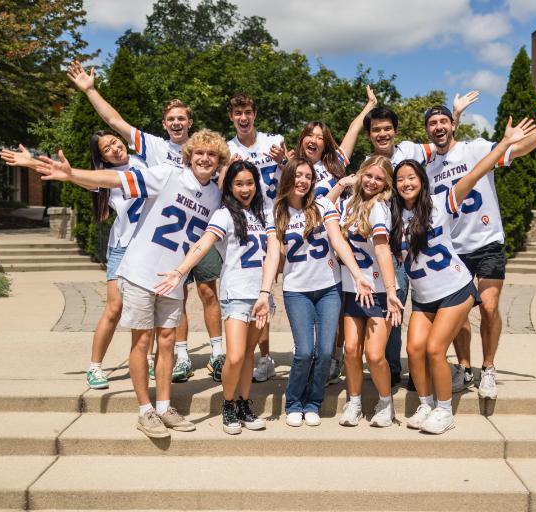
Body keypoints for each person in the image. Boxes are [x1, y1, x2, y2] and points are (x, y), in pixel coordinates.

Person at [31, 129, 229, 438]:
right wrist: (71, 175)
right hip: (141, 270)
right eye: (199, 153)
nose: (205, 158)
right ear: (189, 156)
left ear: (219, 161)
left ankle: (164, 407)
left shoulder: (216, 195)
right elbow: (115, 181)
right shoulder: (167, 174)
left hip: (173, 277)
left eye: (212, 155)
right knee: (141, 341)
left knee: (166, 343)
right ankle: (144, 411)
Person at [67, 61, 224, 384]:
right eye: (171, 119)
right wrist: (91, 91)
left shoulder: (206, 152)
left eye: (182, 118)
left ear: (190, 123)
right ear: (164, 124)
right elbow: (114, 121)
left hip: (189, 235)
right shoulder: (151, 150)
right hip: (144, 242)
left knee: (197, 293)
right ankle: (169, 357)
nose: (177, 123)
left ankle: (204, 354)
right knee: (142, 302)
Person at [424, 89, 536, 399]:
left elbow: (518, 148)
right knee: (459, 315)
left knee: (490, 307)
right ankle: (465, 368)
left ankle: (489, 368)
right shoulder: (427, 170)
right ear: (427, 130)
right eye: (432, 123)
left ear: (453, 125)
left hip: (487, 241)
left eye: (443, 121)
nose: (438, 126)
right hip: (453, 249)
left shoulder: (475, 149)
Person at [390, 116, 536, 434]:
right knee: (414, 350)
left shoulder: (443, 202)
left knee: (434, 349)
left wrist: (507, 143)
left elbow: (476, 173)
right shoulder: (394, 215)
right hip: (425, 297)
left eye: (411, 178)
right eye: (400, 179)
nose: (406, 183)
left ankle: (445, 411)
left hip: (455, 289)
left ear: (422, 181)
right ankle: (426, 404)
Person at [334, 91, 479, 388]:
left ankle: (419, 368)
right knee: (393, 307)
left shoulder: (412, 150)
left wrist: (457, 116)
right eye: (376, 129)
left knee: (412, 306)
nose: (382, 133)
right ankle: (388, 368)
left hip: (412, 239)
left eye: (387, 128)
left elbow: (443, 142)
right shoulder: (368, 165)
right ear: (370, 135)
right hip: (386, 244)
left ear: (395, 132)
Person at [0, 133, 148, 391]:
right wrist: (30, 162)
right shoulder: (101, 178)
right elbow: (66, 173)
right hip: (123, 249)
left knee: (149, 310)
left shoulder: (146, 162)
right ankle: (95, 367)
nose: (114, 148)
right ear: (101, 157)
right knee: (114, 308)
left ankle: (145, 362)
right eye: (106, 149)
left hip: (150, 250)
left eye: (115, 142)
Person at [154, 160, 276, 435]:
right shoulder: (223, 215)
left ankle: (244, 404)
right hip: (236, 295)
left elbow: (273, 252)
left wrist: (266, 294)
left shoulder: (265, 212)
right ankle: (229, 404)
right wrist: (180, 270)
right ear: (230, 187)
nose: (245, 189)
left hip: (261, 296)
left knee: (247, 355)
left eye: (249, 183)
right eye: (238, 184)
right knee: (233, 356)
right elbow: (203, 244)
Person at [254, 157, 374, 427]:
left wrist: (357, 275)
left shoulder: (323, 205)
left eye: (307, 176)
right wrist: (264, 292)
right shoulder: (278, 212)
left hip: (329, 288)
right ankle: (294, 400)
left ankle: (313, 402)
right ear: (288, 178)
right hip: (297, 291)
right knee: (304, 352)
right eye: (298, 175)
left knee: (324, 352)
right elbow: (273, 254)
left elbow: (338, 241)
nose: (303, 180)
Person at [288, 85, 378, 384]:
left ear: (325, 142)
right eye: (309, 135)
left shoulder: (333, 165)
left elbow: (353, 131)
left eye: (320, 136)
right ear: (302, 140)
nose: (314, 140)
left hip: (335, 240)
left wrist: (368, 107)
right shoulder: (293, 168)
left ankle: (333, 357)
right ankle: (308, 354)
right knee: (304, 299)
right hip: (305, 245)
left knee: (335, 301)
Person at [327, 155, 403, 427]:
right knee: (350, 350)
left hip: (377, 290)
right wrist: (343, 182)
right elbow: (322, 207)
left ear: (386, 184)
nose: (372, 182)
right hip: (351, 289)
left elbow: (383, 249)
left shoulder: (379, 208)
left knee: (374, 354)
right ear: (360, 174)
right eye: (368, 175)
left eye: (379, 178)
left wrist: (392, 291)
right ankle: (355, 400)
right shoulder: (348, 203)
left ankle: (385, 402)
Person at [225, 92, 284, 383]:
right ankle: (262, 356)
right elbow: (218, 184)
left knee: (270, 289)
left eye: (247, 112)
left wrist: (284, 160)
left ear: (255, 113)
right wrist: (226, 167)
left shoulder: (274, 142)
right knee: (255, 287)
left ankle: (266, 355)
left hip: (273, 222)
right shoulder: (226, 148)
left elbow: (297, 174)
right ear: (231, 117)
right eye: (238, 113)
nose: (243, 118)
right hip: (243, 225)